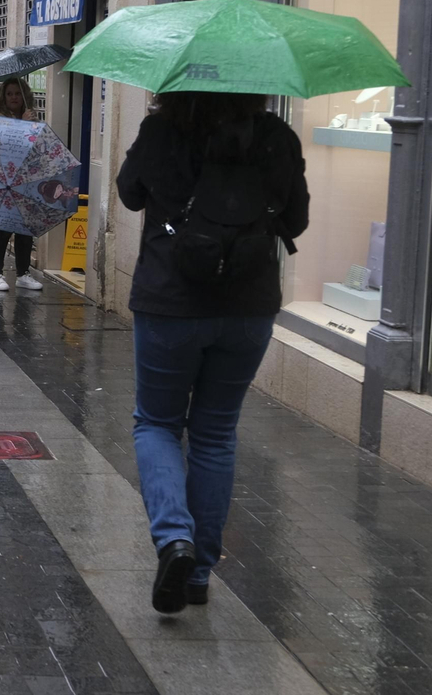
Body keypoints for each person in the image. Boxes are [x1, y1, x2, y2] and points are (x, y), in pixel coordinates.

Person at [117, 90, 308, 614]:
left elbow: (130, 194)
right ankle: (198, 572)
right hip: (247, 307)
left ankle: (173, 538)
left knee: (156, 423)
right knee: (216, 434)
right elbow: (295, 221)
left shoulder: (162, 131)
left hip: (170, 302)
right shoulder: (277, 138)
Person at [0, 78, 43, 292]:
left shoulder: (30, 117)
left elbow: (37, 146)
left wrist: (30, 124)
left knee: (24, 227)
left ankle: (23, 273)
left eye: (17, 94)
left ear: (24, 96)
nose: (13, 97)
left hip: (25, 179)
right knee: (2, 227)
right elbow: (6, 142)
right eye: (9, 94)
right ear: (3, 96)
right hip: (4, 179)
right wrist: (22, 123)